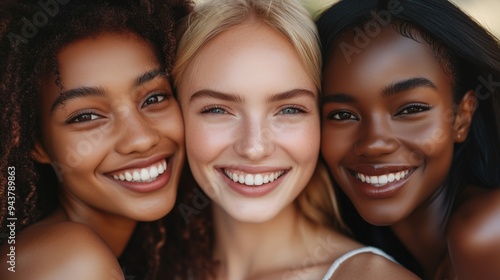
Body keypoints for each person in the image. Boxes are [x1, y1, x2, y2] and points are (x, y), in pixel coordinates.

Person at [172, 0, 419, 279]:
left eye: (289, 110)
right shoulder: (155, 262)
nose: (254, 147)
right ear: (177, 113)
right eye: (216, 110)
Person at [0, 0, 191, 279]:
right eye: (86, 117)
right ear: (36, 144)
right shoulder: (72, 262)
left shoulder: (153, 250)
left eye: (154, 98)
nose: (141, 139)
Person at [316, 0, 500, 279]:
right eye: (342, 115)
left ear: (462, 117)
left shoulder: (486, 232)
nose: (375, 144)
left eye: (411, 110)